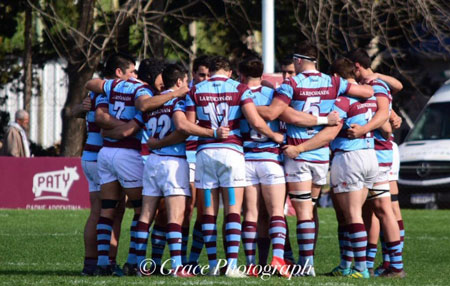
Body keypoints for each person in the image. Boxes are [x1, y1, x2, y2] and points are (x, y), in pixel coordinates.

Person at [256, 43, 374, 276]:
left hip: (298, 153)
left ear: (299, 61)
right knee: (310, 208)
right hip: (321, 155)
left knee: (303, 213)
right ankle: (318, 263)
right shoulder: (334, 82)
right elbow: (368, 92)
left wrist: (247, 105)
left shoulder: (292, 83)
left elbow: (274, 113)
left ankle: (306, 265)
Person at [84, 57, 187, 276]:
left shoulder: (118, 84)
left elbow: (93, 88)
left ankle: (103, 263)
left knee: (108, 208)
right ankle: (134, 260)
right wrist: (174, 94)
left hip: (105, 153)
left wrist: (110, 131)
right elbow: (133, 122)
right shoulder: (143, 91)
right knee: (144, 209)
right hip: (127, 154)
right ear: (155, 76)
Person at [185, 55, 284, 277]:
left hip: (204, 153)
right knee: (233, 209)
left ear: (209, 72)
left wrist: (209, 132)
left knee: (208, 211)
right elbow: (256, 121)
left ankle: (212, 264)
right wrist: (274, 135)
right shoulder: (239, 89)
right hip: (232, 153)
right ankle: (231, 265)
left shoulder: (195, 90)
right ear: (229, 72)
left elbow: (189, 127)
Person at [74, 53, 136, 276]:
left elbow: (77, 111)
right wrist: (131, 126)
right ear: (119, 73)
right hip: (101, 156)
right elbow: (100, 119)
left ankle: (93, 264)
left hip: (92, 156)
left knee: (99, 212)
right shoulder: (108, 92)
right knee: (109, 212)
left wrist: (80, 109)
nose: (134, 76)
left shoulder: (98, 91)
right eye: (131, 71)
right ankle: (104, 262)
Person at [346, 48, 405, 278]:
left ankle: (392, 262)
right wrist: (391, 114)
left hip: (379, 153)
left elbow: (385, 124)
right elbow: (387, 112)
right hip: (374, 153)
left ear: (357, 66)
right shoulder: (369, 86)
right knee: (373, 210)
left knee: (385, 208)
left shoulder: (375, 85)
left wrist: (367, 125)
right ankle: (373, 263)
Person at [187, 55, 211, 267]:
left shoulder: (219, 93)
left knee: (204, 212)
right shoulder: (186, 93)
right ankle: (178, 259)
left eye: (209, 75)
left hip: (204, 158)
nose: (205, 79)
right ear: (193, 75)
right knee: (185, 210)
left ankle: (192, 260)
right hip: (185, 158)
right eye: (201, 75)